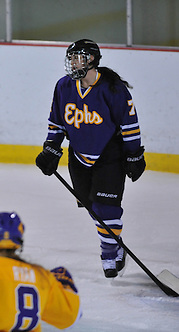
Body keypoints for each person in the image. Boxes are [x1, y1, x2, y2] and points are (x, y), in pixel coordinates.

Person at [35, 39, 146, 278]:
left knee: (106, 208)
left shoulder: (113, 88)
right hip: (78, 157)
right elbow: (57, 121)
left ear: (93, 60)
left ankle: (109, 254)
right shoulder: (63, 86)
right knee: (93, 209)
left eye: (80, 58)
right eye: (72, 58)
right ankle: (114, 241)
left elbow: (129, 123)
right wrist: (51, 148)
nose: (74, 63)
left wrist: (134, 154)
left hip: (110, 156)